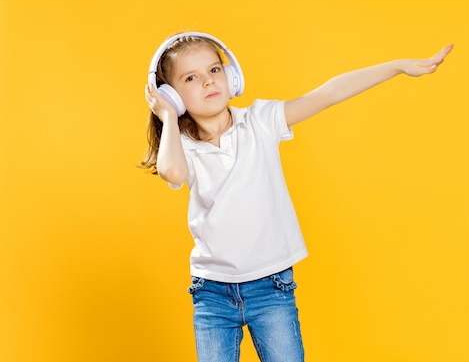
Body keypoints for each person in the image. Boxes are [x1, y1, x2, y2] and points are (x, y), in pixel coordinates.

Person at [141, 32, 453, 362]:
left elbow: (329, 93)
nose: (208, 82)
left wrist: (397, 67)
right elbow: (172, 172)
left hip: (271, 288)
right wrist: (169, 117)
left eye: (215, 70)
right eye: (191, 77)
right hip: (212, 293)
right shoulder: (181, 145)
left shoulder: (260, 121)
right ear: (171, 95)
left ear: (231, 76)